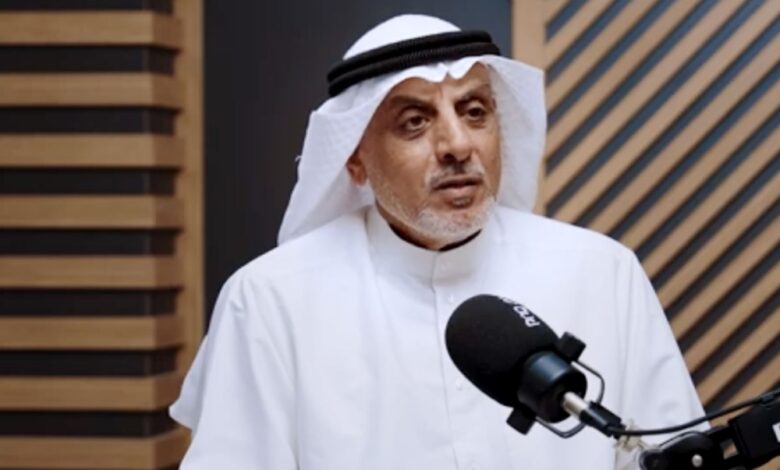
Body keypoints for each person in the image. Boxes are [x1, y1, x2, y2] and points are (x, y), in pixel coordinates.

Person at [171, 14, 705, 469]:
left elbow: (671, 451)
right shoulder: (270, 301)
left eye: (475, 113)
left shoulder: (602, 271)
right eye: (414, 122)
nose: (457, 144)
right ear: (354, 158)